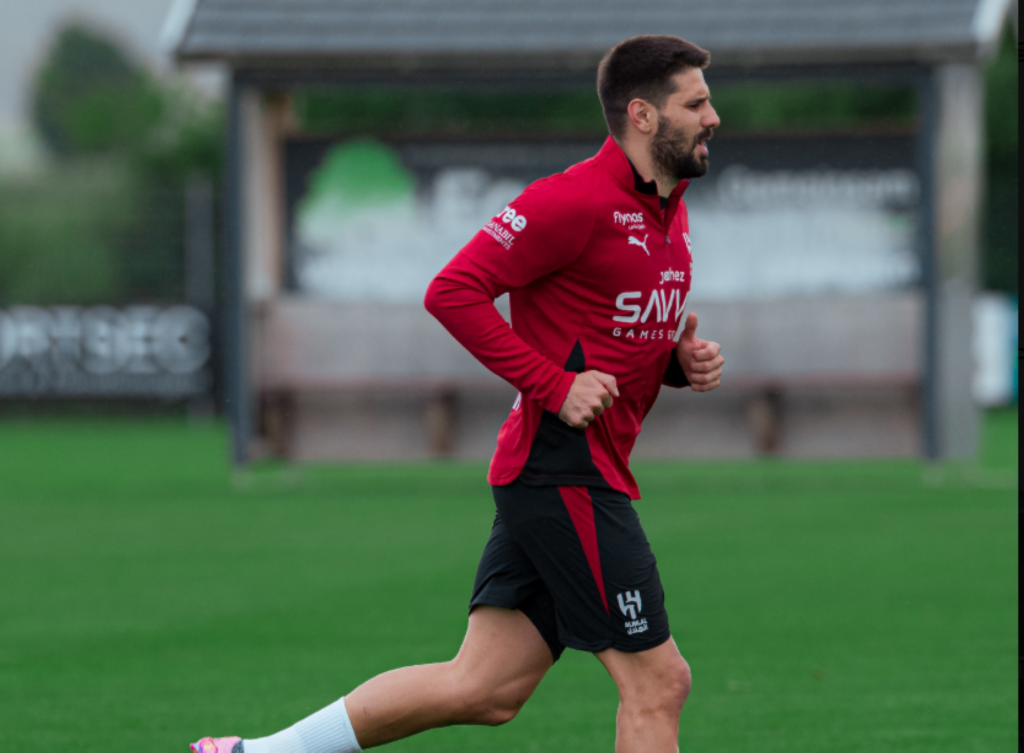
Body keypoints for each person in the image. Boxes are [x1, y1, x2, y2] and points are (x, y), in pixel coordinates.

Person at [192, 33, 724, 753]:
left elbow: (604, 331)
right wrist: (554, 385)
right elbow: (452, 291)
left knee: (484, 688)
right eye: (695, 103)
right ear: (643, 114)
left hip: (564, 472)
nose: (713, 116)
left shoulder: (670, 209)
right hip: (564, 470)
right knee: (658, 682)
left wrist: (674, 363)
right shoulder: (569, 200)